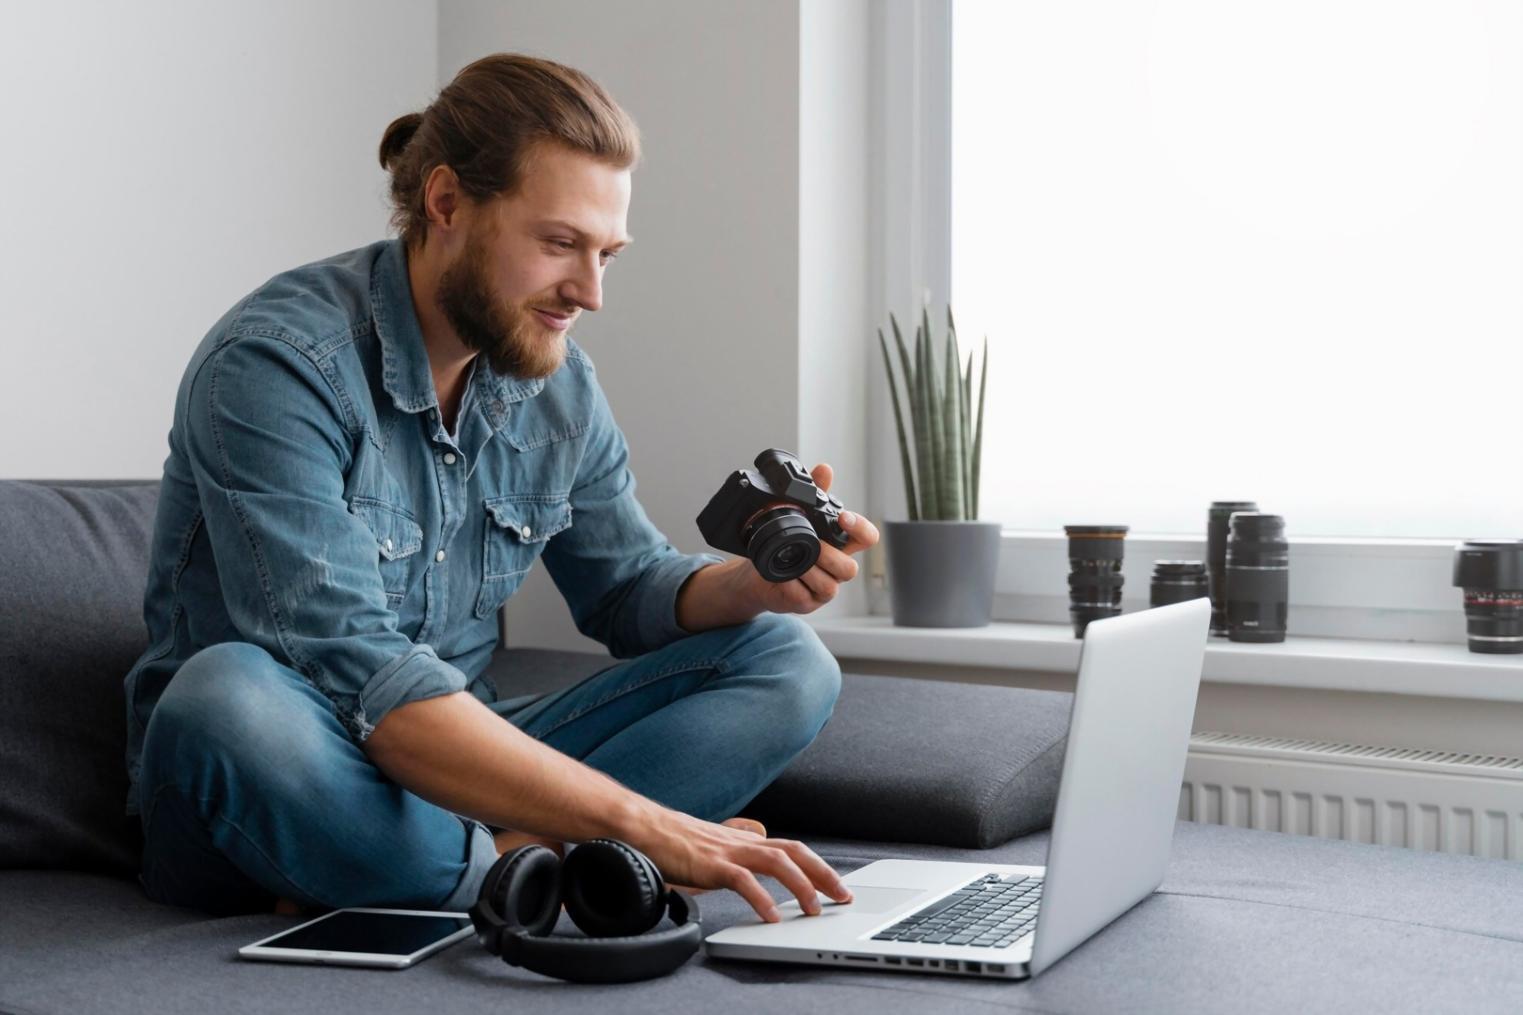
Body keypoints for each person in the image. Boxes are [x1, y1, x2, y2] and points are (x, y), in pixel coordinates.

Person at [124, 53, 878, 925]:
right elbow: (357, 675)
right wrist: (658, 827)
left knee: (782, 657)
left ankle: (507, 864)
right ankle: (536, 862)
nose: (588, 292)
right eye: (559, 244)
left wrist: (752, 584)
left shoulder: (551, 381)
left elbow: (627, 590)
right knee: (223, 697)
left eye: (606, 253)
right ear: (446, 204)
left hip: (458, 770)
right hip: (291, 764)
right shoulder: (276, 365)